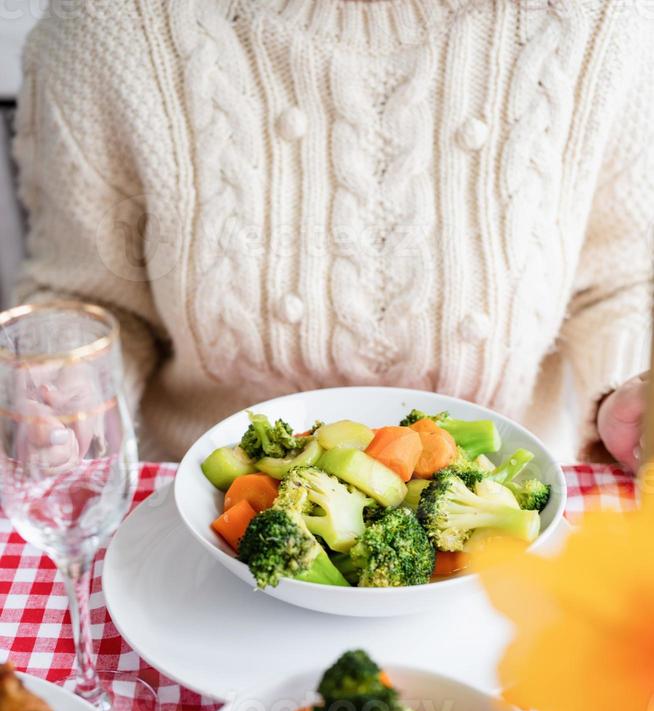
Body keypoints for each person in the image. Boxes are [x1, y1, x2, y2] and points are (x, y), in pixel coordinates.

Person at [11, 0, 653, 467]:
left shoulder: (600, 24)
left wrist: (624, 398)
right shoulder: (108, 28)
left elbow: (622, 280)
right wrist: (65, 399)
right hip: (203, 512)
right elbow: (92, 301)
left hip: (503, 510)